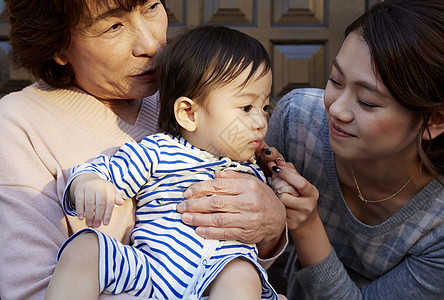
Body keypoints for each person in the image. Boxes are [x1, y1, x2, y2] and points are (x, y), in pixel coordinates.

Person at [0, 1, 286, 299]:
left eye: (151, 7)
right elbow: (32, 290)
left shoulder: (202, 90)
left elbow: (254, 257)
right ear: (57, 45)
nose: (151, 45)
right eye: (114, 26)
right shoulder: (18, 125)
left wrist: (272, 224)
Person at [265, 0, 444, 298]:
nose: (337, 109)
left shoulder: (443, 224)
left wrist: (308, 226)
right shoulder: (298, 120)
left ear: (435, 119)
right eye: (335, 80)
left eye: (367, 102)